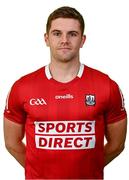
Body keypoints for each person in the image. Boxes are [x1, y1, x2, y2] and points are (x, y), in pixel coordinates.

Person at [4, 6, 127, 180]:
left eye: (72, 34)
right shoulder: (22, 87)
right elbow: (12, 143)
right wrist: (39, 171)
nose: (64, 40)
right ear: (46, 39)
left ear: (83, 40)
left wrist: (90, 169)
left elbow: (117, 145)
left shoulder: (106, 86)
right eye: (57, 33)